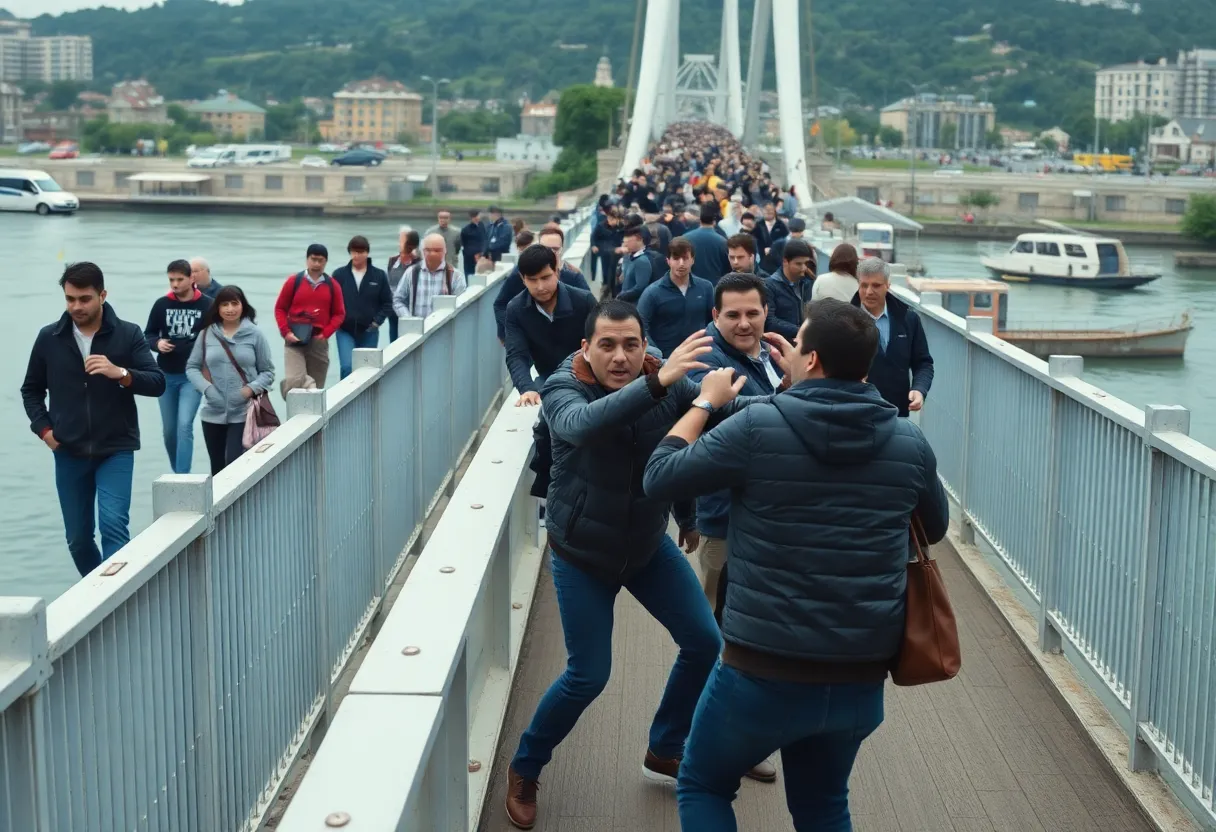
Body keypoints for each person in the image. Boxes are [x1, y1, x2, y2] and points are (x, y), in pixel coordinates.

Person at [642, 298, 950, 831]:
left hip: (763, 670)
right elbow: (935, 529)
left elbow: (660, 476)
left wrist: (704, 404)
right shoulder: (908, 440)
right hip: (858, 674)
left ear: (810, 360)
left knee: (704, 784)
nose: (786, 348)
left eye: (798, 343)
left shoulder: (759, 426)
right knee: (823, 805)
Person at [503, 305, 765, 829]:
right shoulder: (564, 385)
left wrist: (803, 394)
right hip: (583, 552)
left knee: (705, 643)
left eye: (631, 345)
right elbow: (577, 428)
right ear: (585, 348)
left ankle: (665, 746)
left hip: (647, 544)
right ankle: (526, 767)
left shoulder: (666, 379)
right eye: (607, 345)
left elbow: (722, 419)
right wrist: (659, 382)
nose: (620, 357)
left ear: (645, 345)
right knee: (588, 675)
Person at [21, 262, 166, 576]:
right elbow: (31, 390)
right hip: (68, 450)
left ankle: (116, 599)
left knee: (113, 526)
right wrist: (44, 430)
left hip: (115, 447)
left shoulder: (128, 334)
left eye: (84, 299)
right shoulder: (49, 337)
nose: (76, 306)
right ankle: (97, 596)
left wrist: (122, 374)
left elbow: (157, 383)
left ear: (102, 295)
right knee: (78, 540)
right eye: (70, 299)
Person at [186, 286, 275, 474]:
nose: (230, 309)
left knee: (234, 465)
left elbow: (267, 372)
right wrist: (208, 389)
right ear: (217, 308)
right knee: (217, 469)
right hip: (212, 412)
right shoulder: (206, 334)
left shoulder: (255, 334)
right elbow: (192, 368)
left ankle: (241, 503)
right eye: (224, 304)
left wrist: (250, 389)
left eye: (235, 303)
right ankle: (218, 504)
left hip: (244, 412)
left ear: (243, 306)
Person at [504, 243, 597, 406]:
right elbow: (516, 355)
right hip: (549, 379)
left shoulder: (584, 301)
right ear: (522, 278)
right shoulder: (515, 309)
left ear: (557, 272)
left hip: (590, 378)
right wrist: (527, 388)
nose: (540, 287)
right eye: (532, 280)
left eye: (545, 277)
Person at [144, 258, 211, 474]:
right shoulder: (162, 304)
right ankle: (177, 474)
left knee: (184, 425)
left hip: (192, 376)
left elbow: (213, 337)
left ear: (192, 278)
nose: (174, 284)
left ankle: (183, 477)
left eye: (179, 279)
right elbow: (148, 334)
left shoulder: (207, 305)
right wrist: (157, 343)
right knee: (169, 431)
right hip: (164, 375)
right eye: (171, 280)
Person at [851, 257, 934, 417]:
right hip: (856, 415)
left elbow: (923, 363)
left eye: (876, 285)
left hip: (897, 415)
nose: (869, 292)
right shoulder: (844, 322)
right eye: (864, 285)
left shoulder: (909, 319)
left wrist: (919, 389)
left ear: (888, 285)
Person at [494, 224, 590, 342]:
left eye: (555, 249)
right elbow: (500, 304)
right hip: (531, 341)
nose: (550, 252)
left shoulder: (573, 275)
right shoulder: (524, 271)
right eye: (545, 248)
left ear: (562, 249)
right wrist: (509, 334)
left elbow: (590, 309)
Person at [274, 243, 345, 396]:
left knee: (315, 392)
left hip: (319, 341)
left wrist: (325, 334)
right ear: (307, 260)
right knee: (295, 382)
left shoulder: (333, 286)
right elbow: (280, 308)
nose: (316, 264)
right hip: (294, 338)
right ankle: (294, 388)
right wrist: (285, 332)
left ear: (326, 262)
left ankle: (310, 418)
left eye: (320, 260)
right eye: (313, 259)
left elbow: (339, 314)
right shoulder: (294, 281)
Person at [636, 236, 714, 359]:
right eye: (676, 258)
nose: (681, 263)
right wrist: (655, 354)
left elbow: (714, 321)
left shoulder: (706, 288)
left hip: (699, 357)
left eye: (685, 258)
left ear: (692, 260)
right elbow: (640, 326)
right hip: (666, 359)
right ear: (668, 261)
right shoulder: (653, 292)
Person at [332, 235, 392, 379]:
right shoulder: (339, 275)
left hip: (369, 330)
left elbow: (387, 302)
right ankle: (344, 399)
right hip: (344, 330)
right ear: (349, 252)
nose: (357, 255)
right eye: (354, 251)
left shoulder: (378, 275)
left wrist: (377, 321)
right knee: (347, 367)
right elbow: (331, 301)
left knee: (366, 371)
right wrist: (336, 321)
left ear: (367, 252)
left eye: (361, 251)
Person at [392, 233, 468, 321]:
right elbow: (397, 299)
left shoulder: (456, 276)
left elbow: (462, 306)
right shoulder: (411, 272)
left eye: (437, 250)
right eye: (428, 250)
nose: (432, 254)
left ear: (445, 251)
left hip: (444, 330)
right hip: (418, 331)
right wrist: (409, 318)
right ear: (423, 251)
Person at [763, 238, 816, 341]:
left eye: (806, 263)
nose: (804, 268)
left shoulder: (807, 283)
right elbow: (770, 321)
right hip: (779, 345)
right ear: (785, 262)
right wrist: (800, 331)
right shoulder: (769, 285)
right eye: (798, 264)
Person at [385, 227, 420, 343]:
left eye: (401, 240)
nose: (398, 243)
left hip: (410, 310)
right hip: (393, 311)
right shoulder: (392, 261)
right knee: (393, 342)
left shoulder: (419, 263)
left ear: (410, 244)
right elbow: (389, 283)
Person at [683, 202, 731, 284]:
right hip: (715, 287)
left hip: (691, 286)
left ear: (700, 219)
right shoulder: (722, 241)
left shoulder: (685, 238)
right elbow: (728, 268)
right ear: (714, 221)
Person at [460, 209, 487, 276]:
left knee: (482, 275)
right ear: (473, 217)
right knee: (470, 275)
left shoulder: (481, 225)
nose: (480, 217)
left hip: (481, 256)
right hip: (470, 258)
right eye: (479, 216)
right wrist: (474, 253)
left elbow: (484, 239)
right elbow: (463, 243)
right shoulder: (465, 230)